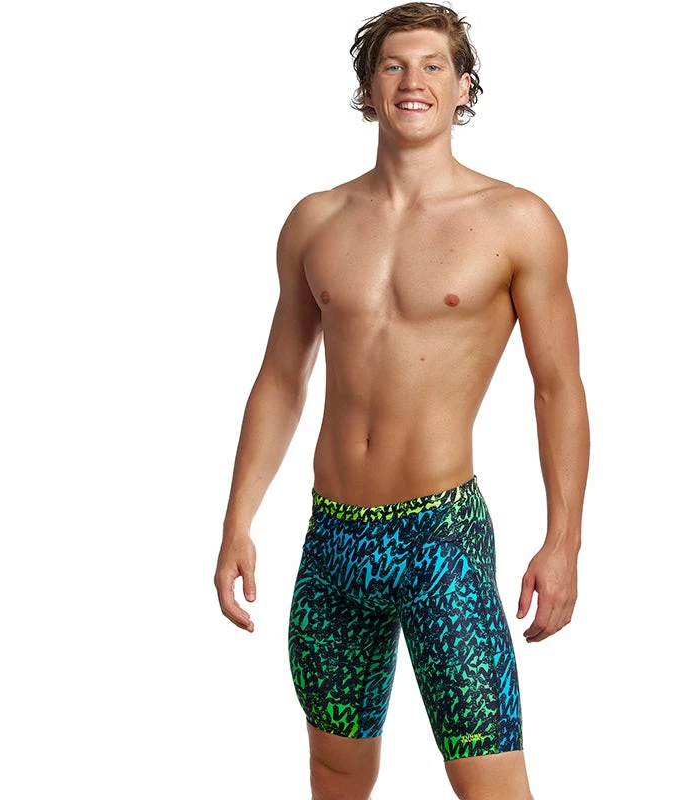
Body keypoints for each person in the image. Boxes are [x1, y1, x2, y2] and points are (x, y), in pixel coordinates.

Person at [214, 3, 589, 798]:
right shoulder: (316, 220)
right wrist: (237, 520)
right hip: (332, 540)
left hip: (440, 542)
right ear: (368, 88)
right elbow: (281, 376)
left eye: (433, 65)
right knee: (335, 771)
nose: (412, 80)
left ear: (464, 88)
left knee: (489, 780)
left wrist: (564, 542)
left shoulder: (517, 221)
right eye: (393, 65)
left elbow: (557, 387)